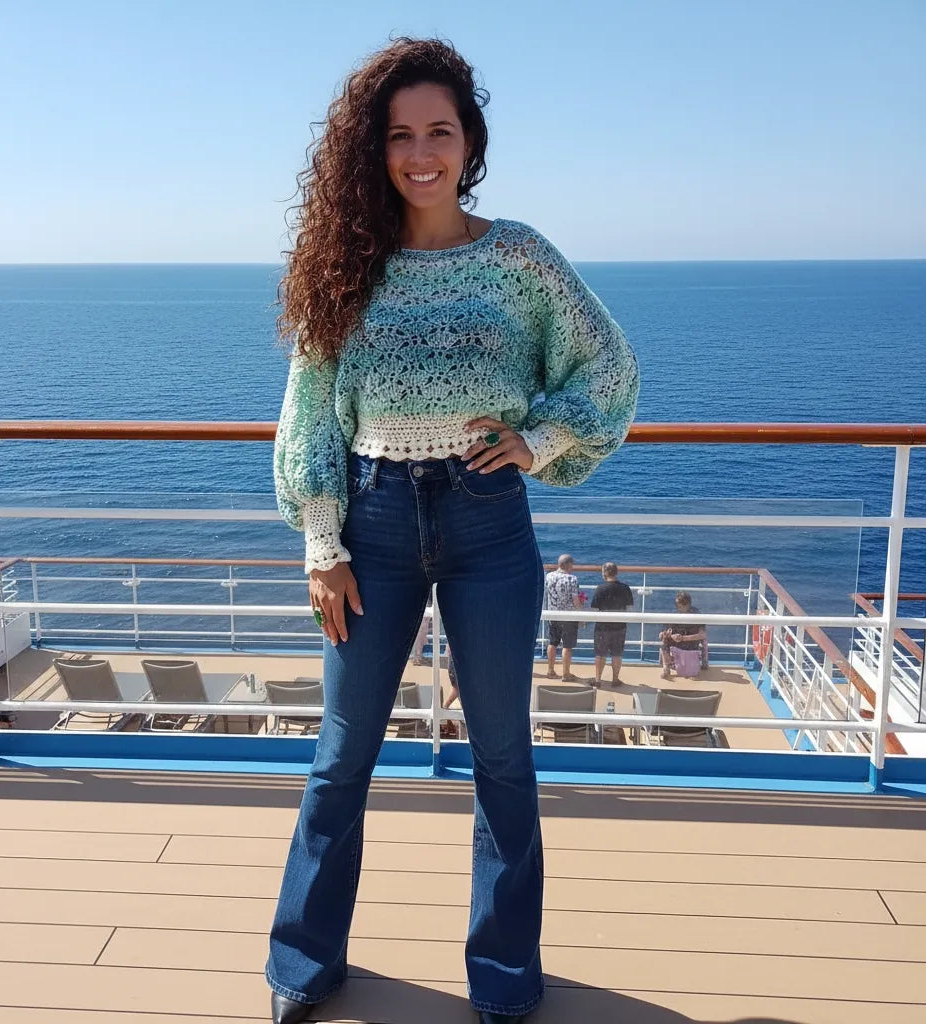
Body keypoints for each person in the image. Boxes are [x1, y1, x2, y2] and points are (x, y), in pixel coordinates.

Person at [267, 38, 639, 1024]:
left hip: (487, 522)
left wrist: (539, 439)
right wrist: (321, 543)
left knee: (503, 758)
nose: (421, 152)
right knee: (341, 754)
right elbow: (307, 412)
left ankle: (505, 976)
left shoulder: (518, 257)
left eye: (439, 130)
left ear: (468, 140)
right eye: (400, 135)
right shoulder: (345, 265)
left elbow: (607, 365)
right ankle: (302, 964)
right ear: (375, 149)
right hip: (373, 520)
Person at [589, 561, 634, 687]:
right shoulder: (625, 588)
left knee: (600, 654)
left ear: (604, 573)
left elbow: (594, 609)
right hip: (620, 625)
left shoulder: (600, 589)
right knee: (617, 653)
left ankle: (598, 680)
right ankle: (615, 679)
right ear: (616, 573)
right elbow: (629, 608)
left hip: (602, 627)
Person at [544, 555, 583, 681]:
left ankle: (550, 671)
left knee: (552, 643)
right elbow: (575, 600)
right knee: (567, 645)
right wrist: (581, 614)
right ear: (568, 565)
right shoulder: (572, 579)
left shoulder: (549, 576)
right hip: (568, 617)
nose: (573, 567)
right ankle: (566, 674)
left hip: (552, 615)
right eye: (572, 565)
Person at [659, 590, 708, 679]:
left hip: (691, 643)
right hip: (677, 642)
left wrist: (683, 638)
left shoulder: (697, 615)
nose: (678, 608)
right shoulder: (674, 615)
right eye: (677, 606)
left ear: (688, 605)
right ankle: (666, 669)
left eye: (680, 606)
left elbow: (702, 635)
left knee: (703, 641)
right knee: (664, 640)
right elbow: (663, 633)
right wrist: (670, 636)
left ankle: (700, 664)